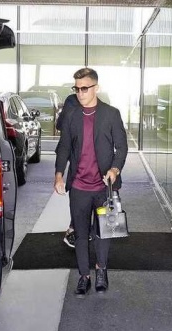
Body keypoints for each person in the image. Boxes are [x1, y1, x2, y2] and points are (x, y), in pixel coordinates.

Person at [54, 67, 128, 296]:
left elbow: (122, 147)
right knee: (80, 233)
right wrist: (59, 174)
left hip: (104, 187)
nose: (80, 93)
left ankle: (101, 270)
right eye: (76, 89)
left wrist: (115, 169)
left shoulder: (111, 114)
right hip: (78, 186)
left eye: (84, 88)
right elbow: (64, 147)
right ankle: (84, 275)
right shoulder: (72, 115)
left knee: (104, 231)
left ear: (97, 87)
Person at [56, 93, 81, 248]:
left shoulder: (71, 99)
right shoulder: (73, 100)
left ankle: (75, 228)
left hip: (77, 152)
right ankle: (76, 228)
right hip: (78, 153)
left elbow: (60, 124)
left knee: (79, 190)